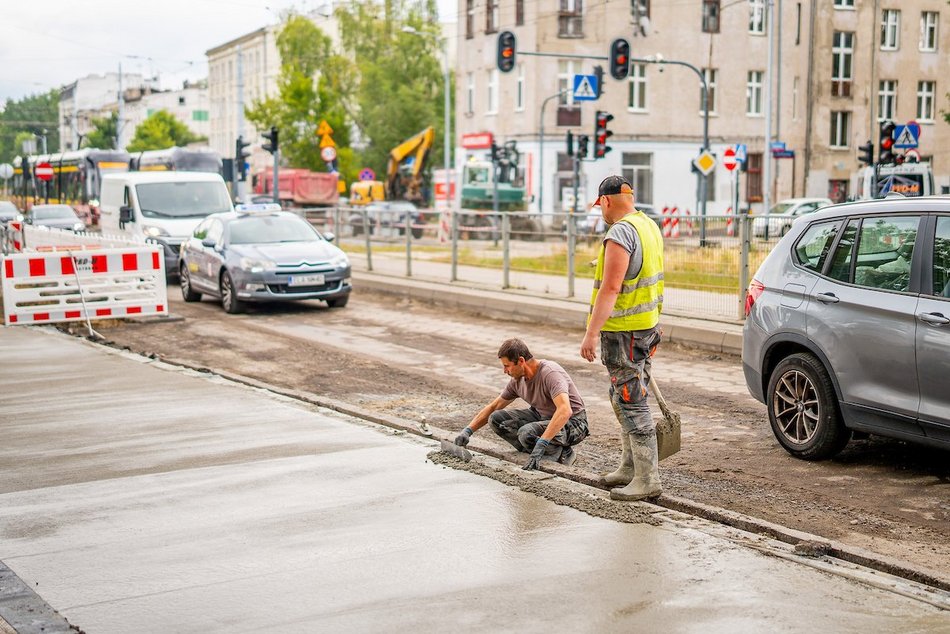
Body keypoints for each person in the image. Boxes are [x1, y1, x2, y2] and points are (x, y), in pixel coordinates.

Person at [580, 175, 665, 501]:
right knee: (622, 396)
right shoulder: (648, 226)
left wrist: (590, 333)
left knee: (631, 400)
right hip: (646, 327)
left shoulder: (620, 233)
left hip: (624, 330)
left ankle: (647, 478)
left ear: (605, 200)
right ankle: (630, 467)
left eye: (599, 205)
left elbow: (611, 287)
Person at [454, 338, 589, 470]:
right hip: (543, 417)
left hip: (574, 423)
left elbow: (565, 411)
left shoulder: (550, 373)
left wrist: (542, 443)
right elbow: (494, 406)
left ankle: (562, 454)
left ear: (521, 361)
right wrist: (467, 431)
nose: (505, 371)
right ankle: (541, 452)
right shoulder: (517, 381)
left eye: (507, 366)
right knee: (497, 419)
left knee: (526, 433)